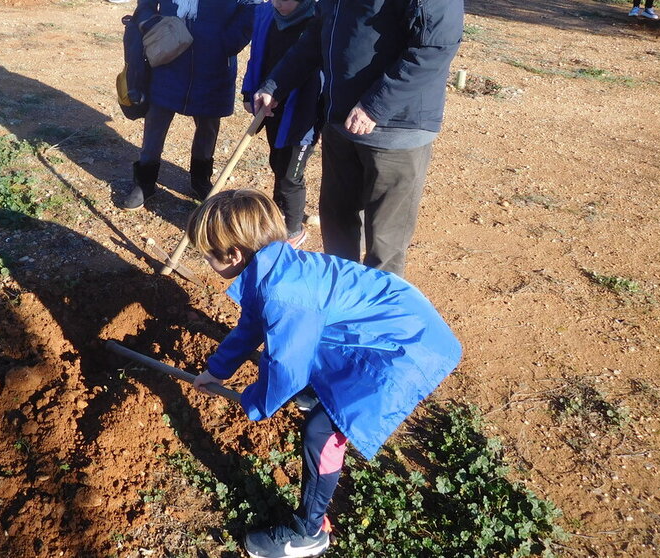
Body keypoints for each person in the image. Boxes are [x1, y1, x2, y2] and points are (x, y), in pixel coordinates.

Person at [188, 189, 461, 558]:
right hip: (389, 325)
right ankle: (321, 396)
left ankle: (308, 532)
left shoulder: (285, 294)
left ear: (234, 255)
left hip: (406, 347)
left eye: (207, 256)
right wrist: (216, 371)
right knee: (313, 376)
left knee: (322, 430)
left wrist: (256, 401)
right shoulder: (274, 268)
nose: (207, 262)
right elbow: (251, 325)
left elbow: (285, 365)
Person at [254, 0, 464, 277]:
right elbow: (320, 32)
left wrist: (375, 106)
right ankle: (338, 316)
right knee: (337, 228)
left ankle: (373, 334)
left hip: (396, 126)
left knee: (383, 248)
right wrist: (276, 83)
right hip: (341, 118)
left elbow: (436, 42)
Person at [120, 0, 264, 209]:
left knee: (208, 124)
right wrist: (150, 22)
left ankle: (200, 180)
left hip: (214, 56)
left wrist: (227, 44)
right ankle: (145, 180)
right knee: (157, 116)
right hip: (168, 51)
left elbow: (253, 4)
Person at [241, 0, 321, 247]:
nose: (276, 3)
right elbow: (256, 57)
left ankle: (292, 230)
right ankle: (280, 216)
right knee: (277, 162)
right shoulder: (266, 16)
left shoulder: (317, 24)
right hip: (271, 107)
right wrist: (250, 93)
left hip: (303, 113)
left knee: (291, 174)